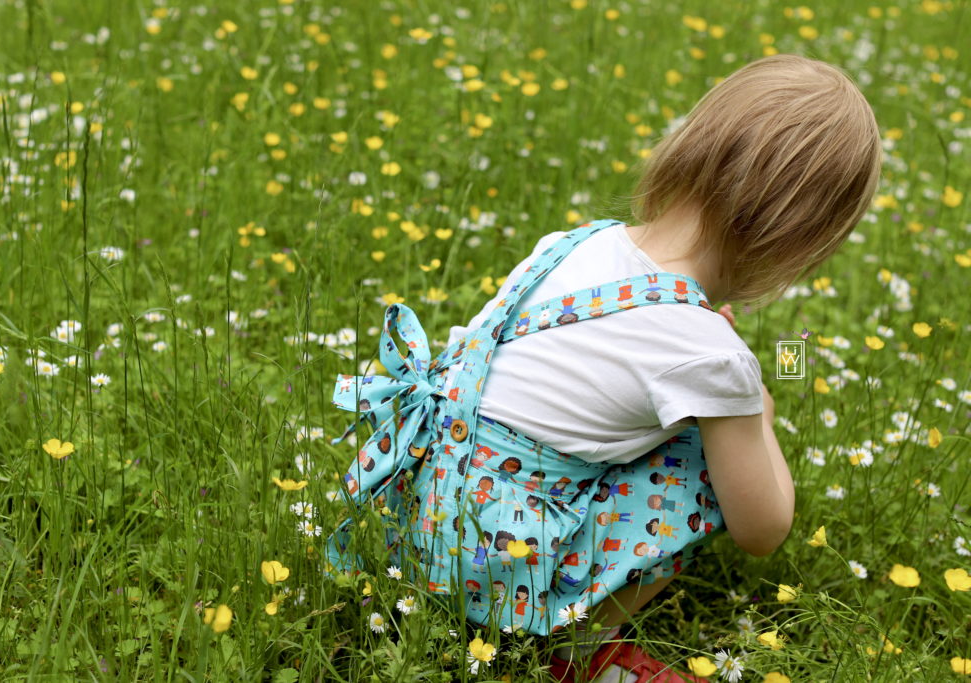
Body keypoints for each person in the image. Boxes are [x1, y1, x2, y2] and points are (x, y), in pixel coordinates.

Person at [326, 53, 881, 683]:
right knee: (712, 452)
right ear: (800, 243)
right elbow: (764, 528)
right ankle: (579, 647)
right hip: (497, 564)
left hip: (415, 514)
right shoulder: (715, 356)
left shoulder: (580, 242)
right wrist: (759, 414)